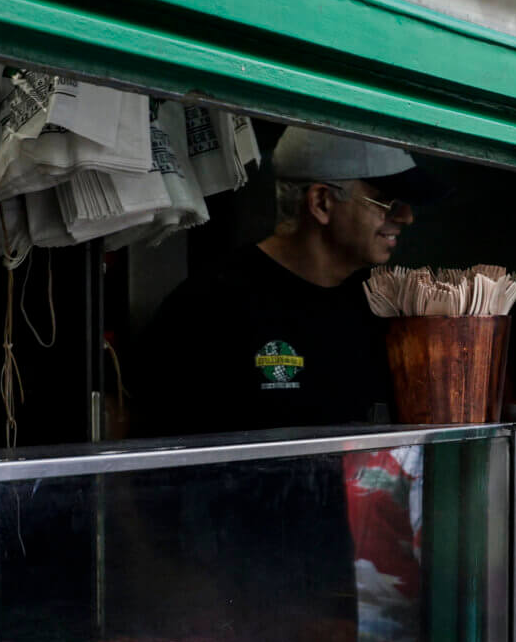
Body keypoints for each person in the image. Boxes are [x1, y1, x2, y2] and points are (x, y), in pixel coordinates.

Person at [133, 126, 429, 436]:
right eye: (386, 202)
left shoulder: (383, 305)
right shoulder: (209, 306)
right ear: (322, 203)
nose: (406, 217)